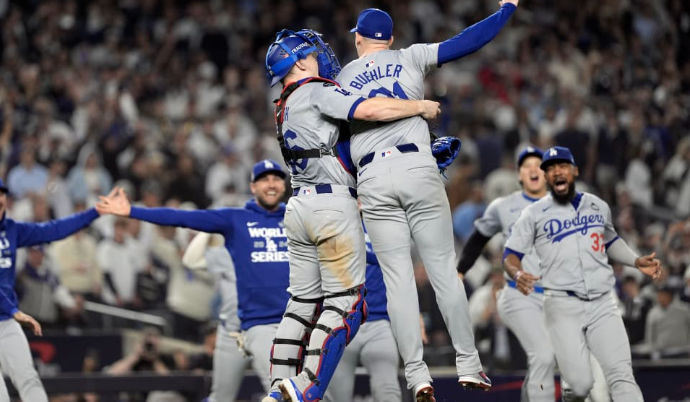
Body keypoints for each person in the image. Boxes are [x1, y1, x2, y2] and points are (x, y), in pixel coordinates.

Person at [336, 2, 519, 399]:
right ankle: (469, 362)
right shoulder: (411, 56)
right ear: (391, 39)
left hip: (373, 177)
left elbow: (338, 145)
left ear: (358, 39)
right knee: (443, 272)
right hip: (417, 166)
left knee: (399, 283)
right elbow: (468, 41)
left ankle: (417, 375)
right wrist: (506, 10)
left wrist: (355, 187)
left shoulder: (342, 77)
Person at [262, 29, 440, 402]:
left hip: (300, 206)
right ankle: (303, 388)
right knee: (349, 303)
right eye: (312, 51)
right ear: (297, 61)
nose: (322, 55)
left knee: (302, 305)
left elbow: (338, 149)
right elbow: (370, 109)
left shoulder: (284, 101)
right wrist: (420, 107)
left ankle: (277, 386)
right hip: (331, 205)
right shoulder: (315, 89)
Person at [96, 160, 291, 394]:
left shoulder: (296, 218)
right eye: (264, 179)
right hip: (233, 330)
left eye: (276, 179)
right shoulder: (236, 219)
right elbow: (182, 217)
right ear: (252, 186)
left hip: (276, 325)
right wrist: (132, 211)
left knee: (284, 394)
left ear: (283, 184)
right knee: (221, 397)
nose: (271, 184)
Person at [503, 146, 662, 402]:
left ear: (575, 170)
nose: (557, 172)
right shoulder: (532, 214)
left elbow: (610, 241)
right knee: (579, 387)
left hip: (602, 303)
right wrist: (516, 271)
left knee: (621, 376)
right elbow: (510, 254)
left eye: (563, 166)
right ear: (545, 177)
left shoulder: (597, 205)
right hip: (562, 305)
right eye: (551, 168)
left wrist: (635, 260)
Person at [458, 147, 610, 402]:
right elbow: (477, 240)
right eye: (525, 166)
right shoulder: (504, 206)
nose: (532, 170)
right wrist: (460, 271)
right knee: (544, 356)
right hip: (521, 296)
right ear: (519, 174)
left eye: (538, 165)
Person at [0, 179, 109, 402]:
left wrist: (94, 212)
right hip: (10, 313)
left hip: (5, 320)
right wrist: (14, 311)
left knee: (29, 378)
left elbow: (53, 230)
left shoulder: (12, 229)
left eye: (2, 194)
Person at [324, 213, 402, 402]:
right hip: (340, 321)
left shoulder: (389, 225)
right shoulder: (329, 223)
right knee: (335, 396)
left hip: (378, 322)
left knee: (389, 392)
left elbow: (401, 274)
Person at [182, 231, 251, 402]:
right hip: (233, 332)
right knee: (220, 397)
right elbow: (190, 259)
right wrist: (208, 228)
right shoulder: (227, 253)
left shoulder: (272, 251)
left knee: (283, 390)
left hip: (267, 327)